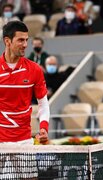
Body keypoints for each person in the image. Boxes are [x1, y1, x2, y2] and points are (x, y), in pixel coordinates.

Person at [0, 20, 50, 178]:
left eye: (27, 40)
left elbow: (43, 104)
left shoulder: (34, 69)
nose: (25, 44)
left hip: (23, 140)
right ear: (7, 41)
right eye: (20, 40)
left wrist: (43, 128)